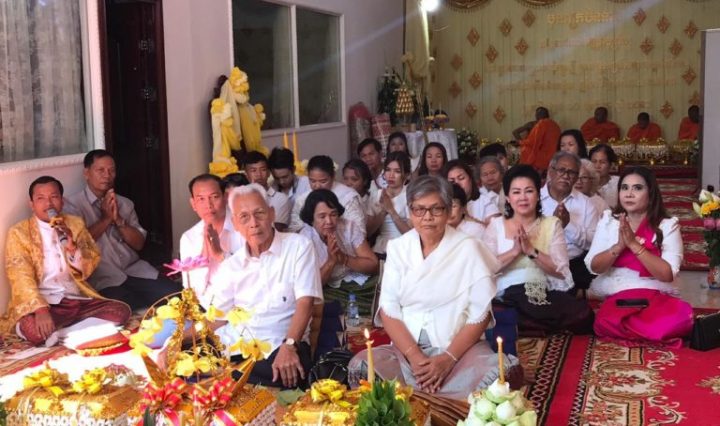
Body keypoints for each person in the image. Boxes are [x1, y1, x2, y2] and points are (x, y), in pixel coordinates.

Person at [349, 176, 522, 399]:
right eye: (419, 209)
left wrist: (447, 360)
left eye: (436, 209)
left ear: (449, 211)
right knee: (362, 365)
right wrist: (415, 357)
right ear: (410, 212)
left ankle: (424, 399)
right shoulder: (399, 248)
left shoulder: (469, 248)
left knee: (499, 372)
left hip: (459, 351)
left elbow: (480, 314)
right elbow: (388, 309)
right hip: (406, 351)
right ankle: (438, 398)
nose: (427, 217)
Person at [210, 184, 323, 388]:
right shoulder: (231, 266)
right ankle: (232, 372)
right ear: (235, 223)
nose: (253, 223)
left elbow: (305, 303)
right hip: (237, 346)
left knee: (289, 371)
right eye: (244, 217)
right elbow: (217, 319)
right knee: (188, 358)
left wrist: (289, 346)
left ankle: (229, 374)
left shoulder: (299, 246)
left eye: (259, 214)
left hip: (282, 345)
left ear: (271, 214)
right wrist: (176, 340)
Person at [0, 176, 130, 345]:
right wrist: (40, 310)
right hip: (44, 302)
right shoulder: (18, 232)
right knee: (33, 329)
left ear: (62, 201)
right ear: (31, 204)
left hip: (74, 298)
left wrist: (72, 248)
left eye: (54, 197)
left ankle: (61, 334)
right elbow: (20, 277)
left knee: (120, 311)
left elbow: (89, 266)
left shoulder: (74, 224)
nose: (48, 204)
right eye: (41, 198)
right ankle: (74, 330)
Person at [585, 167, 692, 346]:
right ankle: (645, 332)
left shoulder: (667, 225)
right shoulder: (609, 221)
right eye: (624, 188)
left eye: (637, 188)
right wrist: (619, 246)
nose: (629, 194)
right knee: (604, 322)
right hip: (620, 296)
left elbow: (667, 274)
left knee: (678, 320)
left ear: (651, 193)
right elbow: (594, 266)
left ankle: (633, 330)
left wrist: (634, 244)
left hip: (656, 295)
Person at [483, 165, 594, 334]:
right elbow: (486, 268)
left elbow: (561, 271)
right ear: (508, 198)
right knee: (510, 303)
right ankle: (531, 323)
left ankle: (524, 323)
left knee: (584, 315)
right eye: (516, 192)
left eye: (529, 191)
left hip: (543, 291)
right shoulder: (496, 225)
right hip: (505, 292)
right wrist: (514, 252)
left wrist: (531, 251)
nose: (523, 198)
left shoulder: (551, 224)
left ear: (538, 195)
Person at [64, 150, 181, 310]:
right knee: (124, 307)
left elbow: (139, 244)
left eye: (111, 170)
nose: (107, 175)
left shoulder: (125, 203)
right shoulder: (72, 206)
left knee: (175, 296)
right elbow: (78, 244)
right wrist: (106, 219)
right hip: (103, 278)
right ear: (86, 173)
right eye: (100, 170)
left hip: (134, 269)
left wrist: (118, 220)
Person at [299, 189, 379, 313]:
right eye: (322, 216)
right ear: (311, 219)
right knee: (319, 303)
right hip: (328, 289)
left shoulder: (348, 227)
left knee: (383, 289)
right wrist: (331, 261)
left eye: (333, 214)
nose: (329, 221)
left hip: (355, 279)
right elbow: (311, 285)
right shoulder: (304, 240)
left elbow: (373, 264)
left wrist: (343, 258)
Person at [179, 174, 245, 308]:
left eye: (214, 197)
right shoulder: (189, 238)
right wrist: (203, 257)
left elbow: (255, 275)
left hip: (243, 304)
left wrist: (221, 255)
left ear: (225, 197)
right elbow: (192, 289)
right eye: (201, 199)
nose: (208, 205)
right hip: (207, 307)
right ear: (193, 204)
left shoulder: (245, 226)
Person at [541, 151, 600, 294]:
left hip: (574, 263)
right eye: (561, 170)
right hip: (539, 260)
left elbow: (593, 244)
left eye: (572, 172)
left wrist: (568, 225)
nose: (566, 176)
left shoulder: (586, 204)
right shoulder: (534, 198)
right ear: (551, 171)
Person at [289, 155, 366, 234]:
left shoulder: (348, 197)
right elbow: (294, 229)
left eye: (323, 181)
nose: (317, 186)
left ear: (333, 176)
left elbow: (359, 231)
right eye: (312, 181)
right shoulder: (302, 199)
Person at [368, 152, 413, 254]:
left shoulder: (410, 196)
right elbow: (368, 232)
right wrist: (383, 211)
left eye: (397, 171)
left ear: (406, 175)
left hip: (403, 247)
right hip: (381, 247)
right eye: (388, 170)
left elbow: (410, 234)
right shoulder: (377, 195)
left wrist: (391, 210)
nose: (391, 175)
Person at [244, 151, 291, 230]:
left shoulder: (280, 199)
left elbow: (276, 229)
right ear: (246, 175)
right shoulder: (241, 198)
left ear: (269, 173)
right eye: (253, 171)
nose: (259, 175)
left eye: (263, 170)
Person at [443, 160, 499, 224]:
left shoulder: (486, 201)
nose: (457, 183)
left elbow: (496, 227)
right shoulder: (442, 204)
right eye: (452, 181)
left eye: (461, 178)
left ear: (470, 179)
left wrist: (467, 217)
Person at [519, 107, 561, 173]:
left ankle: (526, 171)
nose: (535, 117)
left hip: (545, 158)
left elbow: (533, 142)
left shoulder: (541, 123)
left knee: (525, 149)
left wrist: (521, 142)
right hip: (555, 155)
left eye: (536, 114)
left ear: (539, 115)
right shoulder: (555, 125)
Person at [589, 143, 620, 209]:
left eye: (602, 162)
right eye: (594, 161)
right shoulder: (584, 184)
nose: (597, 166)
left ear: (611, 165)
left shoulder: (618, 183)